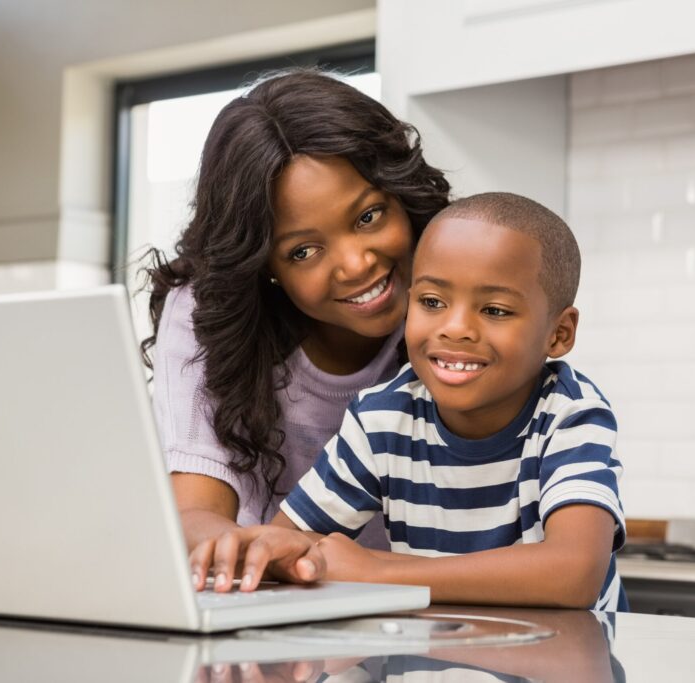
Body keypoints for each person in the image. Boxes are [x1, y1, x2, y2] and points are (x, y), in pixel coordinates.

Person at [194, 192, 626, 610]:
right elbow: (291, 544)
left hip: (569, 652)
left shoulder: (569, 416)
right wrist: (279, 554)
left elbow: (575, 572)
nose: (455, 328)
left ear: (559, 334)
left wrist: (380, 571)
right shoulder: (382, 418)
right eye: (432, 302)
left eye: (494, 310)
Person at [141, 68, 450, 573]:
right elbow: (194, 512)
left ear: (403, 196)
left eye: (368, 216)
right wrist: (247, 549)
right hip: (284, 600)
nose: (356, 265)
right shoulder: (206, 313)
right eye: (303, 251)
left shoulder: (457, 294)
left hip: (433, 603)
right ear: (265, 266)